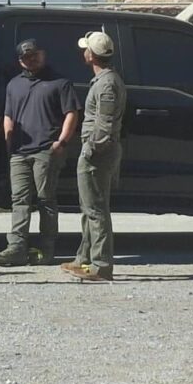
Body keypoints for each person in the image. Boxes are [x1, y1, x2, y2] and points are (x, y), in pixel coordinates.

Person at [0, 39, 80, 267]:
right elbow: (8, 115)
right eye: (26, 57)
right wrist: (9, 139)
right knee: (19, 200)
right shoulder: (14, 85)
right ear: (20, 61)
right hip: (19, 153)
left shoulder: (60, 82)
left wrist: (61, 142)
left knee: (45, 200)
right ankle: (17, 247)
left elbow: (71, 113)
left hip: (46, 150)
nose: (31, 59)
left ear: (43, 54)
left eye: (34, 55)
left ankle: (46, 249)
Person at [63, 31, 127, 282]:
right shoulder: (104, 80)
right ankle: (85, 258)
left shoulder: (107, 84)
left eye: (86, 49)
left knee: (97, 209)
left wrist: (90, 149)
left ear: (92, 55)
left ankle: (101, 265)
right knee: (88, 207)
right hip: (96, 151)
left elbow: (105, 123)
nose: (83, 52)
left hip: (97, 153)